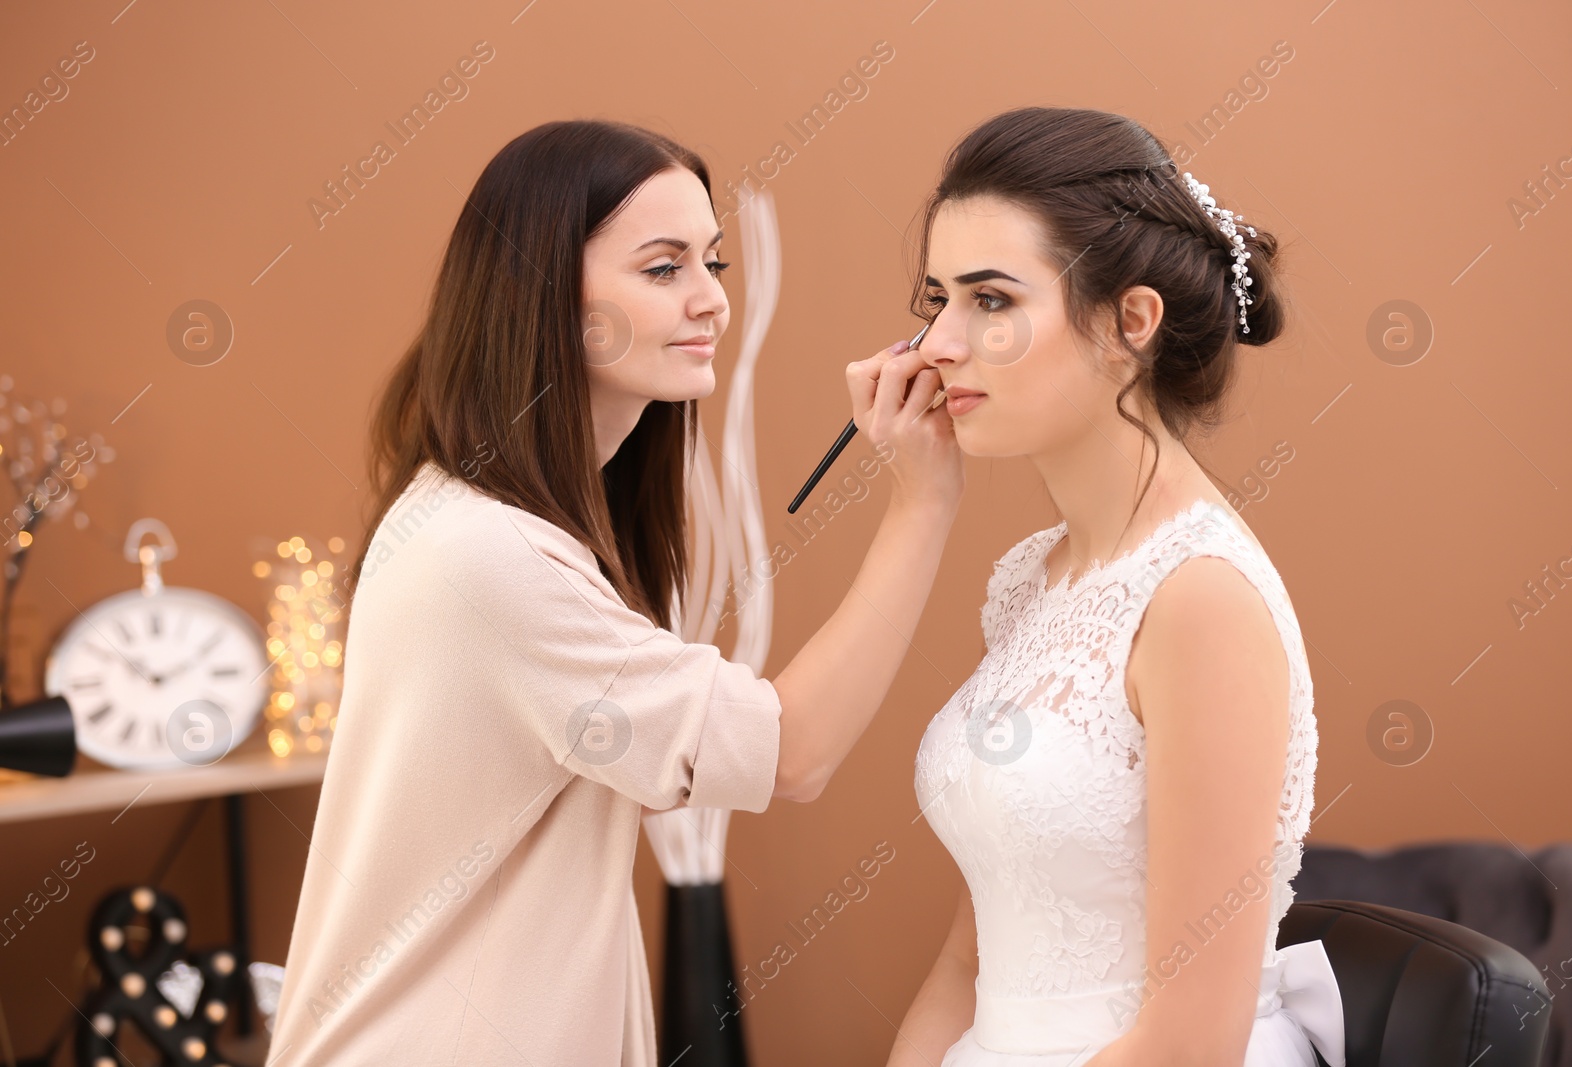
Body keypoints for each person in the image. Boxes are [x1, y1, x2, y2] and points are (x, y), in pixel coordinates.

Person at [266, 119, 963, 1066]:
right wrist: (923, 499)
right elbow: (792, 750)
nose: (712, 300)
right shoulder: (492, 558)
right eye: (664, 267)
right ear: (545, 292)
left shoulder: (482, 520)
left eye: (712, 262)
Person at [890, 107, 1345, 1066]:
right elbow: (967, 961)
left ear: (1131, 321)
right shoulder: (1029, 580)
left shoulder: (1200, 599)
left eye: (991, 301)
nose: (937, 343)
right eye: (935, 300)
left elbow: (1188, 1042)